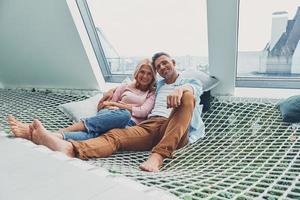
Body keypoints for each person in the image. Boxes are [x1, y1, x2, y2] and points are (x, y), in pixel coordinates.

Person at [13, 52, 205, 172]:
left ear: (173, 62)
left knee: (188, 97)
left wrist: (182, 89)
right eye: (159, 66)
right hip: (150, 126)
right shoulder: (158, 86)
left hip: (175, 129)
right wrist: (112, 92)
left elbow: (194, 89)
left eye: (165, 63)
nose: (162, 67)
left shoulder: (188, 81)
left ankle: (158, 156)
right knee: (114, 136)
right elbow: (134, 89)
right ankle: (71, 148)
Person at [7, 59, 156, 141]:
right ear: (137, 73)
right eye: (142, 72)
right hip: (108, 115)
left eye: (149, 74)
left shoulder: (151, 93)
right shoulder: (125, 86)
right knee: (101, 128)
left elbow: (143, 112)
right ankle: (55, 134)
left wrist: (117, 105)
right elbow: (103, 105)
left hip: (127, 123)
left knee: (119, 118)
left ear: (152, 77)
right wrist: (109, 103)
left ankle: (48, 135)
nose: (145, 76)